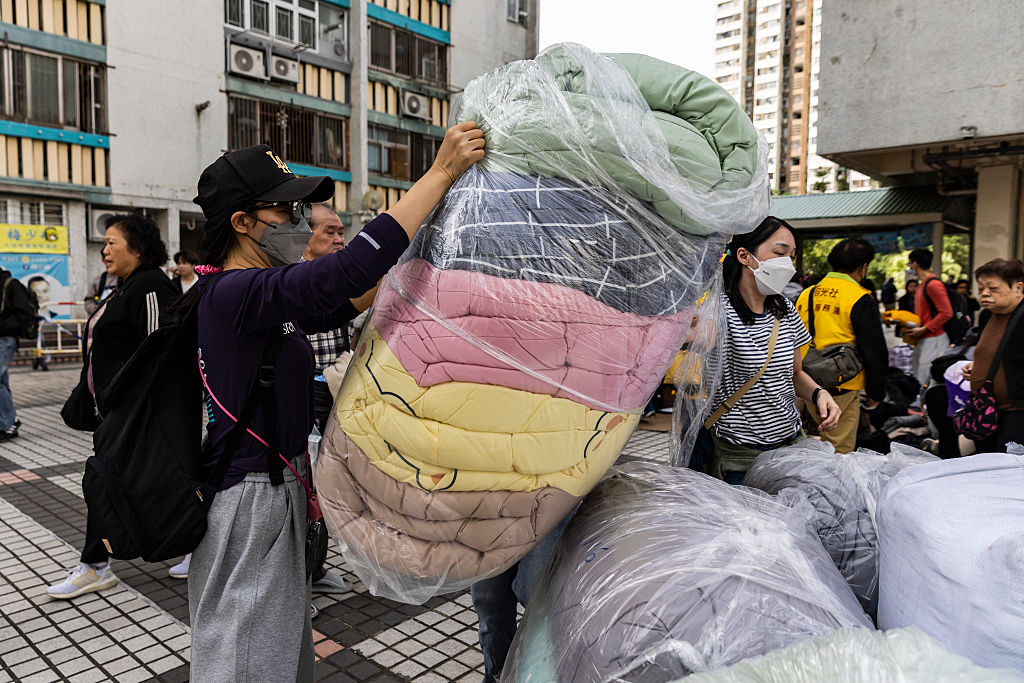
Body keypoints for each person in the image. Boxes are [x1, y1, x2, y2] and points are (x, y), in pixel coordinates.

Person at [188, 124, 483, 682]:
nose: (299, 223)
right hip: (250, 501)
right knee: (245, 661)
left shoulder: (262, 297)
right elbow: (347, 272)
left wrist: (433, 251)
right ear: (242, 223)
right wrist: (441, 172)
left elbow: (348, 295)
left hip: (278, 489)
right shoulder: (234, 293)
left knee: (273, 654)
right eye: (284, 211)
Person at [46, 214, 180, 598]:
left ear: (137, 247)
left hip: (137, 415)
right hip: (117, 412)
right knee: (121, 483)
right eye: (104, 243)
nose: (104, 250)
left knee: (105, 482)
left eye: (111, 243)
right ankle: (186, 547)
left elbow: (162, 350)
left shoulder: (152, 285)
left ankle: (95, 565)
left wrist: (137, 406)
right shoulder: (124, 286)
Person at [707, 216, 840, 483]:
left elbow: (794, 373)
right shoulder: (716, 310)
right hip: (740, 457)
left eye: (791, 256)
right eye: (779, 253)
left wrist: (819, 394)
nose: (787, 265)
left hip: (790, 444)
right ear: (744, 255)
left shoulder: (784, 309)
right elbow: (697, 351)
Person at [303, 202, 358, 599]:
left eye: (341, 232)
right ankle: (301, 580)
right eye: (330, 232)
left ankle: (317, 567)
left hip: (337, 389)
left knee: (332, 483)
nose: (340, 239)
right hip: (302, 394)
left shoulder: (340, 278)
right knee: (305, 487)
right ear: (304, 234)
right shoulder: (288, 280)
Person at [796, 239, 888, 453]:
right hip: (843, 382)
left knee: (814, 439)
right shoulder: (859, 297)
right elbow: (873, 348)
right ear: (863, 267)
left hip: (808, 381)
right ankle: (831, 486)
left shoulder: (806, 294)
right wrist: (877, 390)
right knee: (839, 448)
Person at [960, 258, 1024, 452]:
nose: (985, 293)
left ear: (1018, 288)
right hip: (988, 409)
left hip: (1016, 413)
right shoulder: (988, 314)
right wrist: (978, 366)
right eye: (981, 289)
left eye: (993, 288)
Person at [905, 248, 951, 387]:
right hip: (924, 338)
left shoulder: (933, 285)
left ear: (915, 264)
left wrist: (925, 328)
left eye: (910, 263)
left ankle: (925, 407)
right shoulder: (922, 286)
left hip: (934, 338)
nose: (909, 267)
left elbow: (947, 312)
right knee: (919, 376)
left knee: (926, 379)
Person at [0, 268, 33, 441]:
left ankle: (8, 422)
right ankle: (8, 421)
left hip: (5, 340)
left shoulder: (11, 285)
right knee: (2, 382)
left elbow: (23, 314)